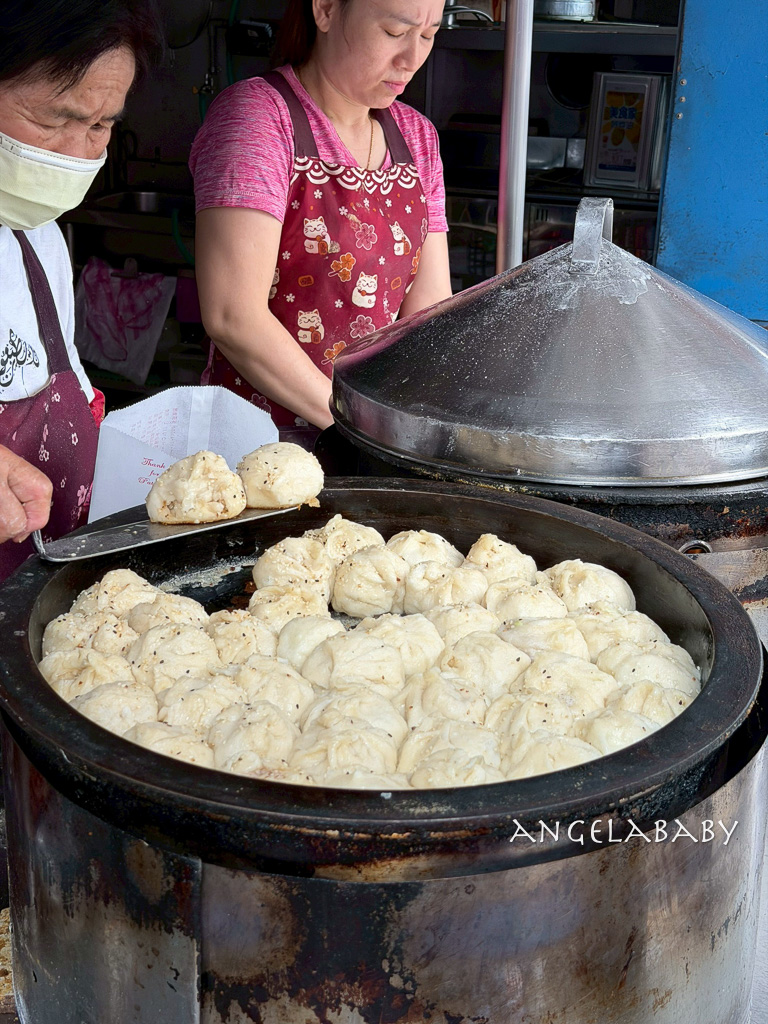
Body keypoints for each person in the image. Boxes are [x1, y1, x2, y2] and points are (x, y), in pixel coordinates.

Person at [190, 0, 452, 436]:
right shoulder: (259, 117)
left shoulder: (417, 137)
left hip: (370, 441)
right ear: (327, 10)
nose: (411, 59)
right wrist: (362, 427)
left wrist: (424, 433)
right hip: (256, 448)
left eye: (428, 35)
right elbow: (233, 316)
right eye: (392, 32)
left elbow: (428, 314)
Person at [0, 0, 163, 580]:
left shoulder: (37, 239)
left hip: (42, 596)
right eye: (50, 120)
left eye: (99, 125)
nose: (74, 154)